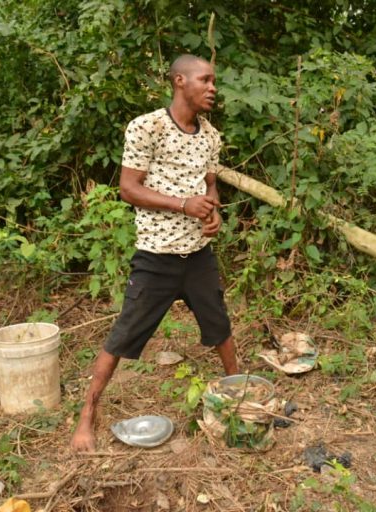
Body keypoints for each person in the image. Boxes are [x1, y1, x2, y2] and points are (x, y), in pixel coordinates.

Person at [71, 54, 239, 452]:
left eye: (214, 81)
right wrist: (183, 204)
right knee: (123, 335)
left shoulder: (211, 136)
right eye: (205, 79)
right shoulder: (148, 127)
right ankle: (86, 420)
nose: (213, 87)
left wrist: (212, 213)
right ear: (180, 81)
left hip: (198, 256)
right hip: (156, 257)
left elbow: (210, 187)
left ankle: (242, 397)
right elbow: (128, 188)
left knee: (221, 328)